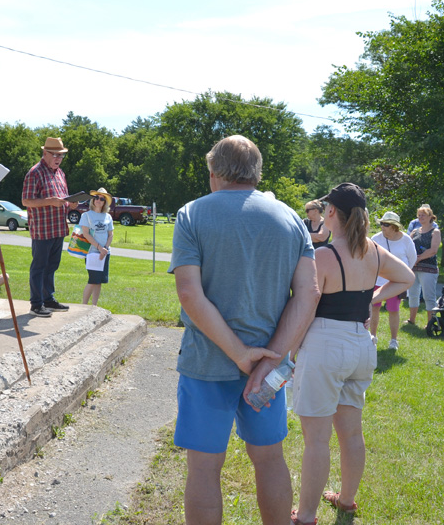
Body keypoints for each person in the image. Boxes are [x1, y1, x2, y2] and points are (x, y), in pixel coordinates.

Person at [169, 135, 318, 525]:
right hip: (267, 369)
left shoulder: (192, 214)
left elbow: (189, 293)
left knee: (204, 467)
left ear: (213, 172)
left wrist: (239, 354)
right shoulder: (290, 218)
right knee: (269, 459)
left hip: (206, 362)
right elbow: (309, 293)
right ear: (257, 173)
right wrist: (270, 360)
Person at [291, 183, 414, 525]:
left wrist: (289, 353)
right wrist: (372, 298)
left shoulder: (324, 255)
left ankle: (306, 515)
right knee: (351, 432)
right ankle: (346, 500)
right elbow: (406, 277)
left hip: (326, 345)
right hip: (361, 345)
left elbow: (305, 308)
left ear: (331, 212)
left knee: (317, 439)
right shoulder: (373, 250)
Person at [20, 137, 79, 318]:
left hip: (58, 227)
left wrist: (71, 203)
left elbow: (62, 198)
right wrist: (50, 201)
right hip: (42, 229)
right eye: (55, 155)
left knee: (52, 266)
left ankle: (48, 299)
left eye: (61, 155)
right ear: (45, 153)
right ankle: (36, 304)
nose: (58, 158)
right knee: (39, 267)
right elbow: (26, 201)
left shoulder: (60, 173)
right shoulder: (34, 173)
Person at [370, 211, 416, 350]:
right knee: (374, 308)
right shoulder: (375, 238)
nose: (382, 227)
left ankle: (393, 341)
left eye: (386, 224)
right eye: (382, 224)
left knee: (393, 310)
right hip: (376, 280)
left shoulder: (406, 240)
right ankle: (372, 337)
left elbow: (412, 259)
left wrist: (401, 276)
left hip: (396, 282)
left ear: (394, 227)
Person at [407, 205, 441, 328]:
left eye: (423, 215)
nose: (421, 217)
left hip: (429, 269)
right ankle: (411, 320)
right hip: (413, 268)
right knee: (413, 294)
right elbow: (407, 247)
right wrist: (412, 259)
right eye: (419, 215)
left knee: (428, 296)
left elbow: (433, 250)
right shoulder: (414, 231)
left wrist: (418, 258)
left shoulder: (435, 232)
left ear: (430, 216)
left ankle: (430, 323)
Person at [80, 187, 114, 306]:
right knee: (93, 280)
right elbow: (86, 234)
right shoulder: (86, 215)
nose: (98, 200)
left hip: (105, 253)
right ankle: (84, 306)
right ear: (93, 200)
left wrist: (105, 249)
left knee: (99, 281)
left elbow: (110, 234)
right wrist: (99, 248)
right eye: (96, 198)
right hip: (92, 252)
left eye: (102, 199)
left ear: (105, 202)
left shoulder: (108, 217)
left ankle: (94, 306)